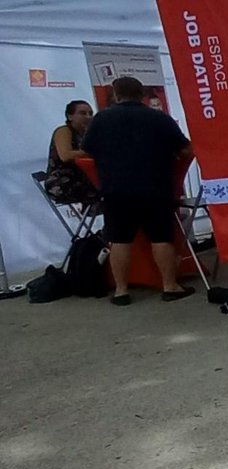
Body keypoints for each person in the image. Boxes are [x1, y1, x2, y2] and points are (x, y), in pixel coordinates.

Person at [80, 76, 194, 306]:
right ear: (142, 94)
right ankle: (170, 286)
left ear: (116, 94)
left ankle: (121, 291)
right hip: (155, 186)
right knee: (161, 237)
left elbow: (87, 150)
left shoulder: (102, 118)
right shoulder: (159, 118)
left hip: (116, 188)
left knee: (119, 239)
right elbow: (185, 149)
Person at [45, 100, 99, 205]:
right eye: (82, 113)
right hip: (62, 183)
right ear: (70, 116)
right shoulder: (64, 131)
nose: (88, 117)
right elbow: (65, 155)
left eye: (90, 113)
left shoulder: (88, 134)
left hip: (83, 179)